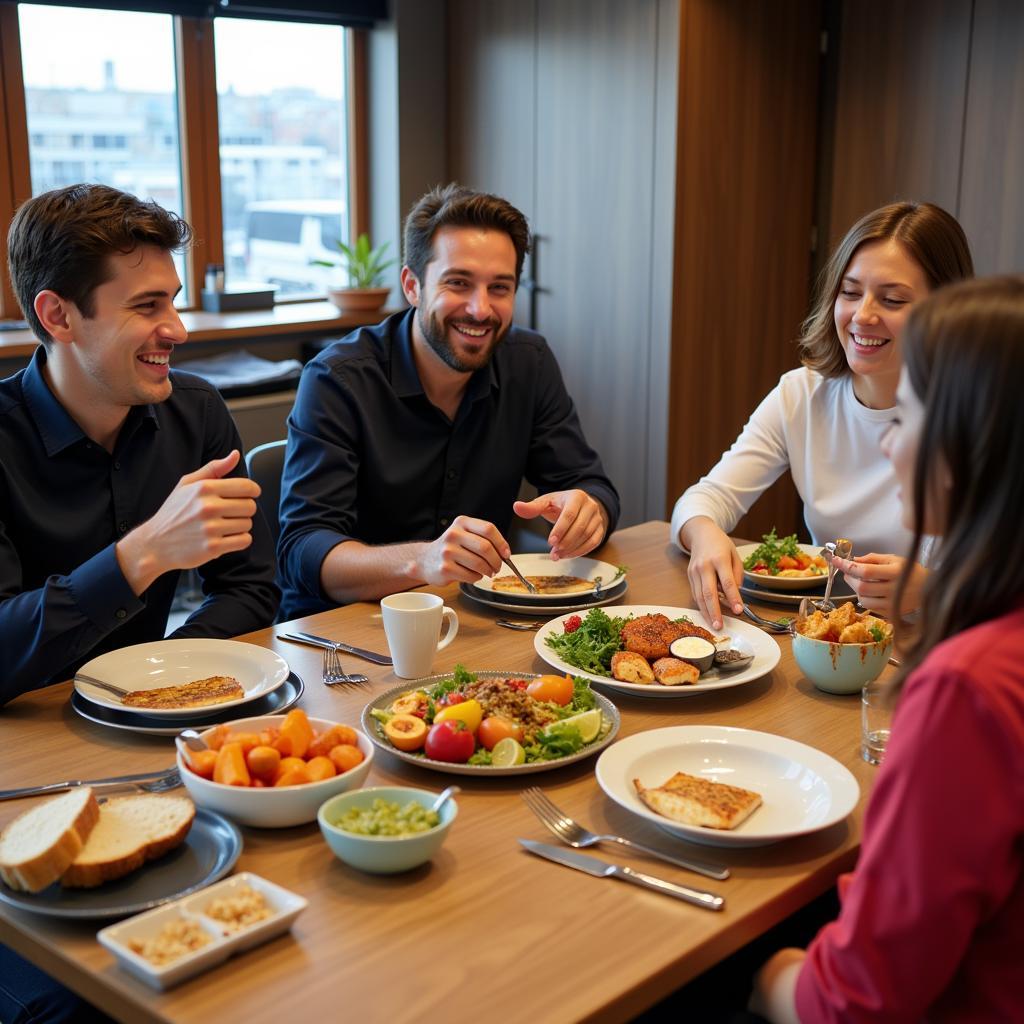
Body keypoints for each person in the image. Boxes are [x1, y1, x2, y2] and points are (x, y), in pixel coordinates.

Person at [749, 275, 1024, 1023]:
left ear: (968, 443)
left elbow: (854, 1002)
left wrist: (767, 974)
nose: (889, 441)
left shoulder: (970, 686)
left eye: (907, 415)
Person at [277, 183, 619, 618]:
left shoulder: (528, 363)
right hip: (342, 635)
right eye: (458, 283)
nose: (480, 309)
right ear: (412, 286)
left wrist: (589, 511)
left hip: (472, 620)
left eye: (500, 287)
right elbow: (303, 551)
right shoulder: (337, 380)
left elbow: (592, 485)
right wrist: (424, 560)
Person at [0, 184, 279, 708]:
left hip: (156, 720)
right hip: (26, 732)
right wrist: (142, 554)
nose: (177, 329)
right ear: (58, 316)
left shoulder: (196, 410)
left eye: (171, 300)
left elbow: (250, 587)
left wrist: (167, 677)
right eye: (146, 306)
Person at [671, 202, 973, 629]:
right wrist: (705, 535)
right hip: (831, 637)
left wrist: (936, 588)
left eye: (892, 299)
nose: (862, 315)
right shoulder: (802, 393)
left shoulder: (985, 412)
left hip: (940, 647)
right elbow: (704, 500)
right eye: (850, 293)